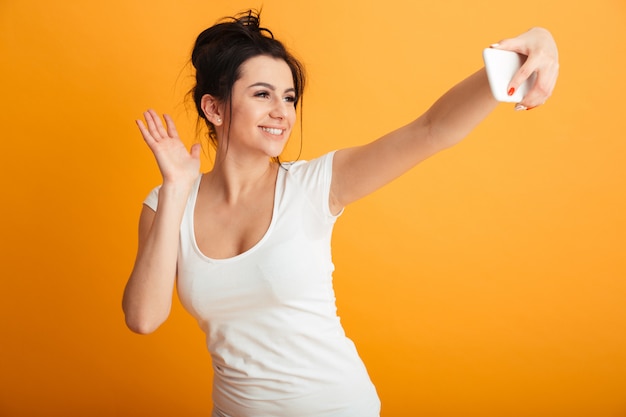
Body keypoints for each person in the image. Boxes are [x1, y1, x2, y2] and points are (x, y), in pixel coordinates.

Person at [122, 9, 559, 417]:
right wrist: (178, 189)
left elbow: (432, 130)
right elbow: (144, 318)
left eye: (289, 98)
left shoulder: (314, 185)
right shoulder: (167, 202)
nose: (282, 113)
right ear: (214, 108)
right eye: (262, 94)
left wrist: (523, 52)